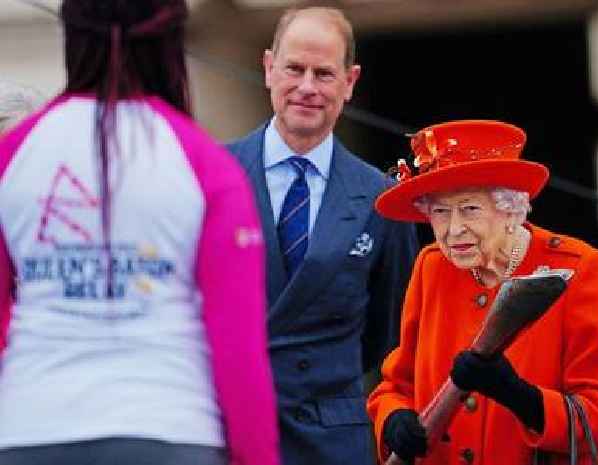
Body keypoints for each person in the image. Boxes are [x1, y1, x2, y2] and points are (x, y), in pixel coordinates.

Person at [0, 1, 279, 465]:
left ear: (71, 35)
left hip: (31, 431)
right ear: (169, 41)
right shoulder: (207, 165)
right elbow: (237, 344)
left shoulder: (14, 154)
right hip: (170, 429)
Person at [367, 120, 598, 465]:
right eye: (440, 212)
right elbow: (395, 387)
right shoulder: (431, 267)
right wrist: (393, 419)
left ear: (510, 208)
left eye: (470, 209)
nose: (453, 229)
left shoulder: (577, 267)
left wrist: (519, 396)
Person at [227, 6, 419, 465]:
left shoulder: (382, 198)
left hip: (331, 441)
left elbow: (393, 333)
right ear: (269, 67)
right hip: (232, 429)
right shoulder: (214, 176)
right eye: (295, 68)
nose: (307, 87)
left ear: (350, 82)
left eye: (324, 73)